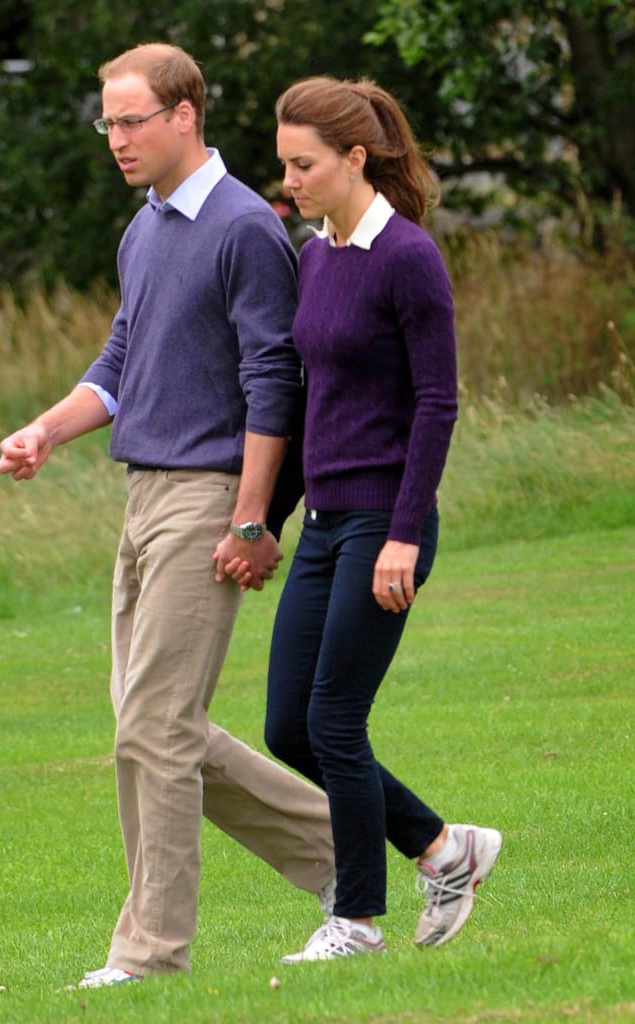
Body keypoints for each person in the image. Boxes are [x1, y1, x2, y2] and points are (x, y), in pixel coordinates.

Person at [0, 43, 335, 989]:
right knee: (158, 727)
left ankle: (150, 955)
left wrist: (251, 517)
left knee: (152, 730)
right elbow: (121, 359)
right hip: (141, 493)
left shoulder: (242, 229)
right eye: (107, 122)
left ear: (185, 115)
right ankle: (357, 863)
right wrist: (47, 430)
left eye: (131, 119)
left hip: (206, 498)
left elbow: (276, 381)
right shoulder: (144, 228)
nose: (116, 139)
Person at [260, 75, 502, 961]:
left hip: (383, 523)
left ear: (354, 157)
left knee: (333, 720)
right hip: (324, 522)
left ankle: (354, 920)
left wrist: (403, 532)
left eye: (305, 164)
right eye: (285, 163)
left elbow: (436, 403)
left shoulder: (407, 257)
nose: (290, 180)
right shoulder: (314, 255)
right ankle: (445, 848)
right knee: (287, 724)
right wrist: (266, 521)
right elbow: (305, 401)